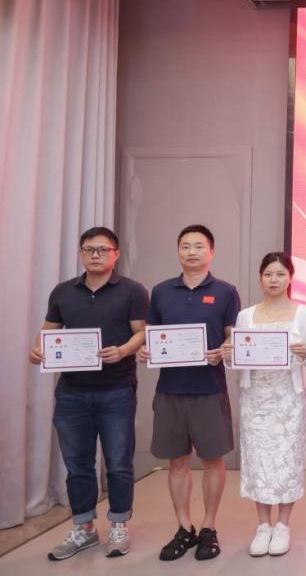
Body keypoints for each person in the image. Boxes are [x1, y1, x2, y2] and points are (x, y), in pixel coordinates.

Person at [29, 227, 148, 560]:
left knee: (118, 463)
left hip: (117, 390)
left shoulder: (132, 291)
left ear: (116, 254)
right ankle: (84, 528)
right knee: (78, 464)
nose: (95, 255)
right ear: (81, 254)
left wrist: (123, 350)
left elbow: (143, 333)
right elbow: (47, 334)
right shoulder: (63, 292)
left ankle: (119, 525)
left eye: (102, 249)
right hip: (71, 393)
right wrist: (37, 351)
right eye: (89, 249)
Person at [138, 224, 240, 561]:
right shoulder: (161, 291)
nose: (191, 252)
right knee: (177, 461)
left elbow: (232, 337)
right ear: (178, 251)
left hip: (209, 389)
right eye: (185, 246)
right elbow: (150, 334)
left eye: (198, 246)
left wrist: (224, 350)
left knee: (213, 460)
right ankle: (184, 527)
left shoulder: (226, 292)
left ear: (211, 252)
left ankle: (209, 527)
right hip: (170, 389)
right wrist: (145, 350)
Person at [228, 252, 306, 557]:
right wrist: (229, 354)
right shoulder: (246, 315)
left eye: (280, 274)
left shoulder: (304, 314)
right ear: (260, 278)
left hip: (288, 399)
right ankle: (263, 525)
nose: (274, 280)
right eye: (268, 274)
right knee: (258, 460)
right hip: (255, 398)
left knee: (287, 460)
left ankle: (283, 526)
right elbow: (238, 357)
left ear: (290, 277)